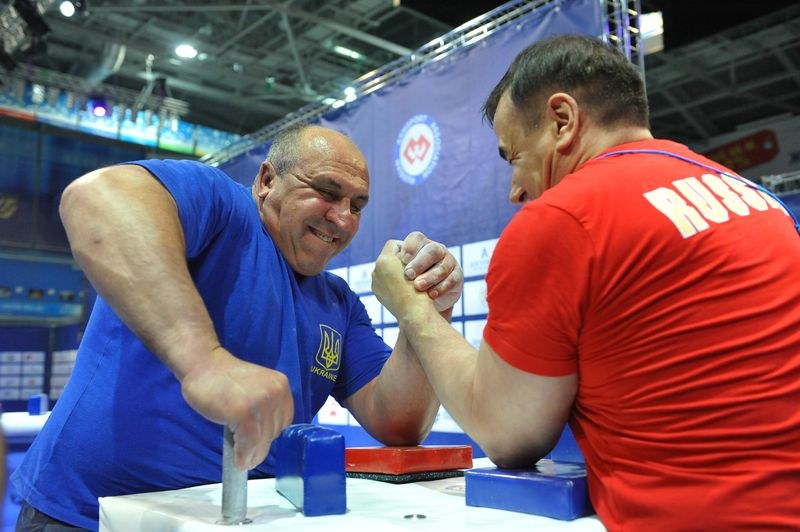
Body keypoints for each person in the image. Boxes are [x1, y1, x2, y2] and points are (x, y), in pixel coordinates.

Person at [372, 34, 800, 531]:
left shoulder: (564, 218)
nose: (515, 191)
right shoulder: (755, 197)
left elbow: (507, 434)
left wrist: (413, 308)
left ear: (562, 120)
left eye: (514, 157)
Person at [12, 124, 463, 530]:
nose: (344, 218)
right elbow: (99, 197)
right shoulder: (223, 207)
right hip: (88, 516)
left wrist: (425, 309)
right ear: (267, 182)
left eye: (357, 205)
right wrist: (203, 362)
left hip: (239, 519)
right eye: (328, 191)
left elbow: (398, 422)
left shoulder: (338, 303)